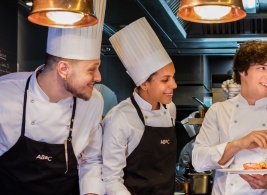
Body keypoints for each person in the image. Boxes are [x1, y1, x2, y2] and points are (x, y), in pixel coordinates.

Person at [0, 0, 107, 194]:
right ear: (63, 69)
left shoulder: (93, 102)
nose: (98, 77)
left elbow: (91, 159)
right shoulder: (4, 93)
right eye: (92, 69)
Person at [192, 40, 267, 194]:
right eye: (262, 68)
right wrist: (238, 144)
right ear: (242, 71)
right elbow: (198, 161)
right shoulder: (218, 111)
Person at [101, 17, 178, 195]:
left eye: (173, 77)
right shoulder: (119, 118)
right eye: (165, 80)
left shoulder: (170, 109)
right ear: (144, 84)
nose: (174, 85)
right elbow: (111, 179)